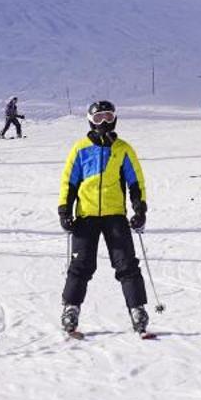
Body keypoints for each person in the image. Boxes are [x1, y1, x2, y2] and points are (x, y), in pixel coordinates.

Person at [58, 101, 151, 337]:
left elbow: (135, 181)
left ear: (115, 119)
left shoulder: (123, 149)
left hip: (115, 216)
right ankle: (71, 307)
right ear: (90, 121)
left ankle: (137, 309)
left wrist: (139, 209)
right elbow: (69, 181)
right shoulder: (80, 149)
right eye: (99, 118)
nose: (104, 123)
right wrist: (64, 210)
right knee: (81, 264)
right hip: (86, 216)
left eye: (108, 117)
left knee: (127, 263)